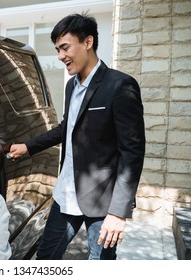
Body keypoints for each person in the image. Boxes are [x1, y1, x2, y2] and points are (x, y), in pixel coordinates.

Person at [9, 13, 145, 260]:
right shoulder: (72, 86)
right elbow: (67, 128)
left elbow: (132, 152)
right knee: (45, 260)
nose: (60, 56)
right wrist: (28, 147)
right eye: (58, 50)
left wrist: (118, 212)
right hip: (65, 195)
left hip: (102, 201)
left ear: (88, 42)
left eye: (65, 48)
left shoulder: (121, 86)